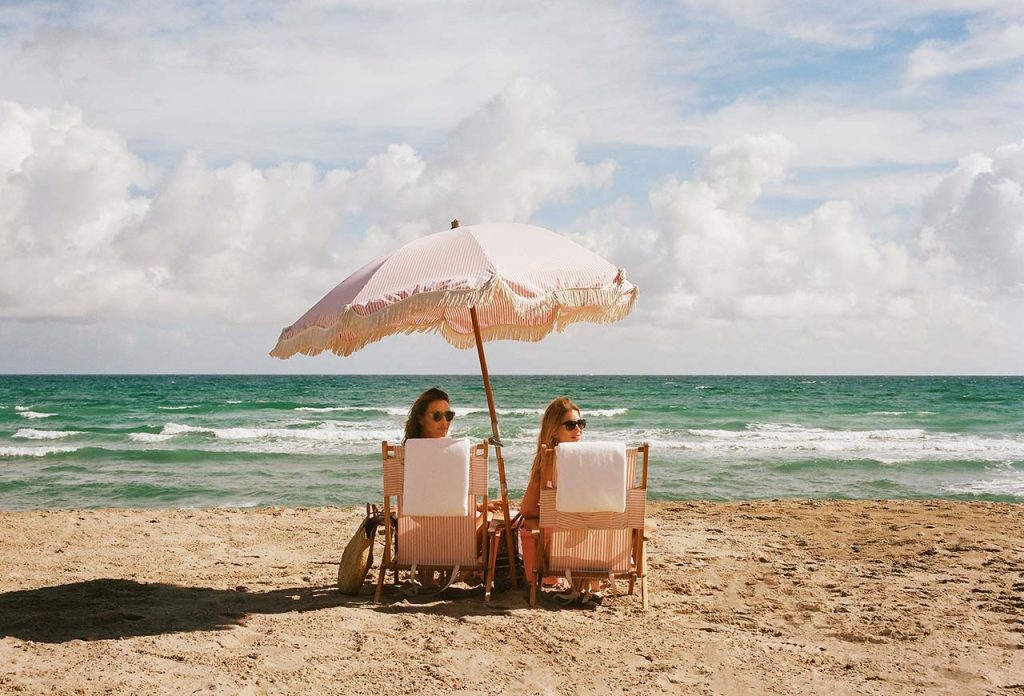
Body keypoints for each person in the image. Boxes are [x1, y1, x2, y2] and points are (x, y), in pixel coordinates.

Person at [519, 397, 603, 606]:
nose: (578, 429)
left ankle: (563, 580)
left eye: (581, 423)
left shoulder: (546, 463)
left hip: (560, 547)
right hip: (599, 545)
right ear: (554, 431)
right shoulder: (597, 460)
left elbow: (527, 509)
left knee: (534, 524)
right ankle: (584, 583)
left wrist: (552, 514)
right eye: (571, 425)